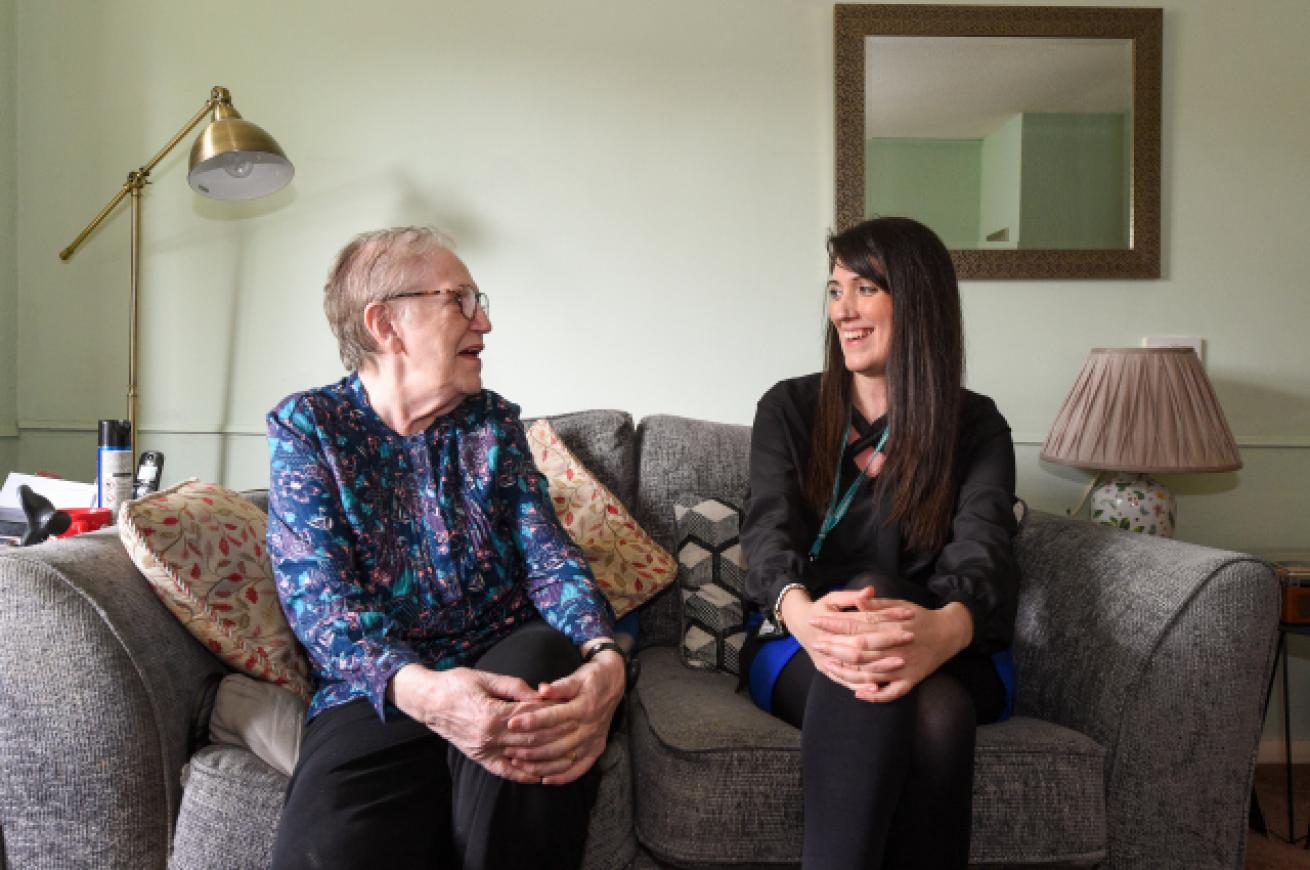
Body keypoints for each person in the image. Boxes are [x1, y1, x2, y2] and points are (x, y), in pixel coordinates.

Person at [266, 226, 629, 870]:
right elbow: (319, 600)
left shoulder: (491, 424)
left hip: (509, 652)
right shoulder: (310, 428)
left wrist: (604, 656)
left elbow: (549, 558)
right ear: (386, 324)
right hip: (382, 686)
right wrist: (426, 694)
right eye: (459, 300)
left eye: (478, 300)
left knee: (539, 691)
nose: (483, 322)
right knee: (326, 845)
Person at [740, 217, 1018, 870]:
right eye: (835, 291)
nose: (844, 311)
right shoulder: (788, 409)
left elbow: (983, 551)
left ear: (917, 299)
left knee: (933, 697)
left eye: (865, 288)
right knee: (933, 716)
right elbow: (766, 531)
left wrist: (944, 629)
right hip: (802, 637)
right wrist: (807, 616)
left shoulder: (976, 425)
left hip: (948, 643)